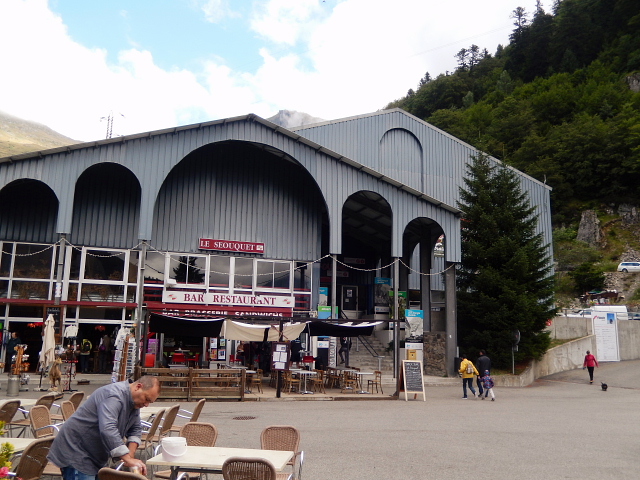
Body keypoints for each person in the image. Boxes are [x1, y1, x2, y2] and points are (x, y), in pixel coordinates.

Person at [48, 375, 161, 480]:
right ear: (138, 387)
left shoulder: (133, 401)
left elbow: (135, 429)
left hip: (95, 453)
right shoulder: (114, 395)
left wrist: (130, 456)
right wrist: (127, 458)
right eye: (147, 399)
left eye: (150, 402)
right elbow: (108, 428)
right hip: (77, 449)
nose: (146, 405)